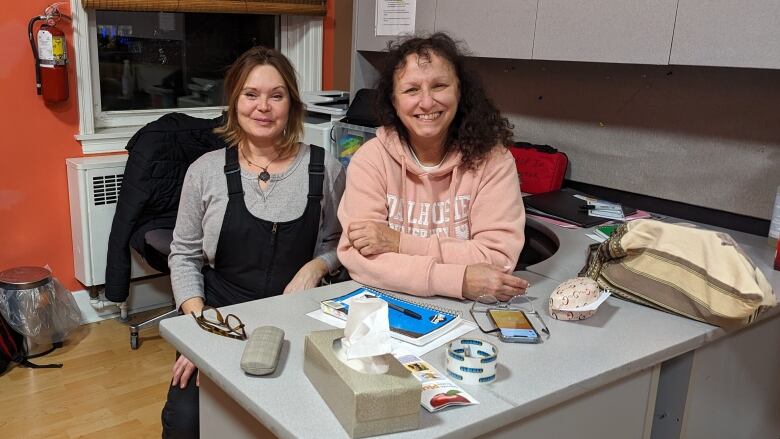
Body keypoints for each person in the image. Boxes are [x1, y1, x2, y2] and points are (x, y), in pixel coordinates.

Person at [161, 46, 345, 438]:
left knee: (304, 418)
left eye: (276, 96)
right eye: (251, 94)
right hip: (219, 319)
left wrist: (317, 266)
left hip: (295, 320)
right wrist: (200, 333)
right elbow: (184, 257)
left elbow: (336, 243)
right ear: (234, 102)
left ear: (291, 105)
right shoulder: (205, 172)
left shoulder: (324, 168)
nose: (263, 107)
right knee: (186, 422)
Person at [337, 33, 529, 302]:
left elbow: (497, 258)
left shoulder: (494, 161)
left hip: (470, 315)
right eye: (411, 90)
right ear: (394, 100)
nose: (426, 102)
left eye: (439, 86)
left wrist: (398, 242)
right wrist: (457, 280)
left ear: (459, 92)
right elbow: (359, 259)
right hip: (388, 305)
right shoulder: (371, 160)